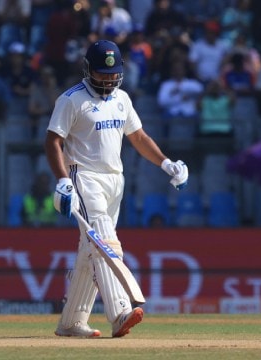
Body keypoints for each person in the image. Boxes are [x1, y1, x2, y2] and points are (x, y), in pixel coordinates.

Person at [45, 39, 188, 338]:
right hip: (83, 177)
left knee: (91, 249)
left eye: (113, 74)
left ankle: (72, 322)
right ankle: (120, 311)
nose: (108, 79)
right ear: (88, 70)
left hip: (115, 181)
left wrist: (166, 164)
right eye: (102, 73)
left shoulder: (122, 98)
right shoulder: (71, 100)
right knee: (104, 242)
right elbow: (53, 141)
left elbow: (138, 137)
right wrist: (62, 179)